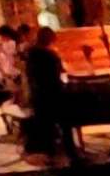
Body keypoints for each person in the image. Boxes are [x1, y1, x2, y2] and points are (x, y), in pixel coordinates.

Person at [22, 32, 81, 161]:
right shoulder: (50, 55)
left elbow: (29, 76)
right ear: (50, 40)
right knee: (65, 123)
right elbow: (59, 71)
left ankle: (50, 153)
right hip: (54, 92)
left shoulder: (30, 56)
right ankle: (71, 152)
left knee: (46, 125)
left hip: (39, 95)